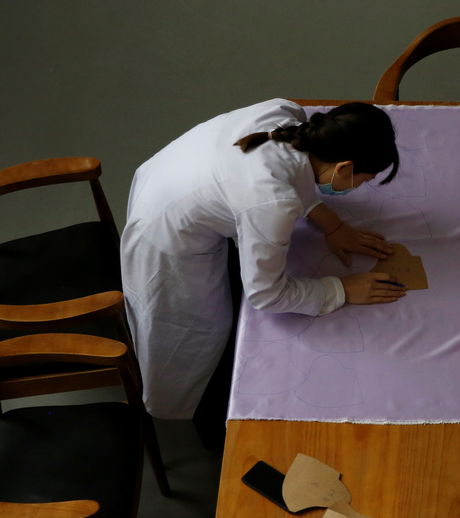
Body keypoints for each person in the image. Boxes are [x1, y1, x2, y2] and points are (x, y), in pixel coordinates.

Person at [121, 98, 405, 420]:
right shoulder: (272, 203)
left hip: (167, 178)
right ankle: (180, 410)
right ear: (343, 168)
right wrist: (341, 289)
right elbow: (266, 294)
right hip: (164, 237)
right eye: (364, 180)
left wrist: (332, 223)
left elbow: (292, 172)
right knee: (196, 335)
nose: (360, 187)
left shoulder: (285, 114)